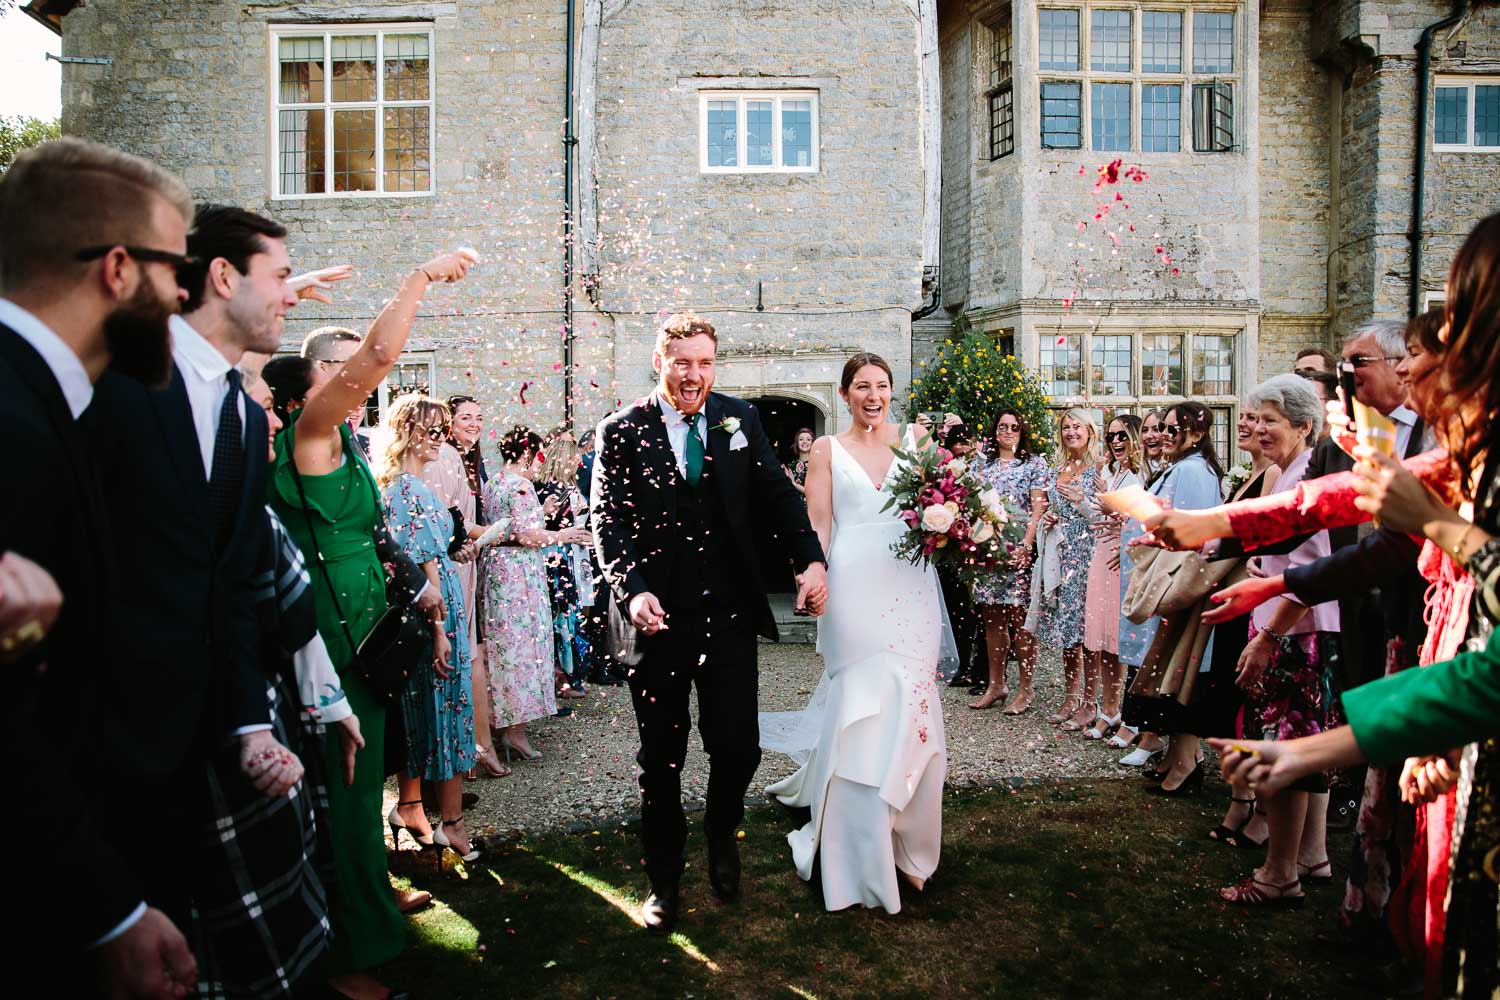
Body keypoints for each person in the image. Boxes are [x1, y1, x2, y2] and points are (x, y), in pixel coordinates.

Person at [0, 137, 198, 993]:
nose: (183, 293)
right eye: (173, 268)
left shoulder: (61, 401)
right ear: (118, 268)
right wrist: (106, 909)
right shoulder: (11, 417)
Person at [268, 247, 474, 999]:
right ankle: (348, 956)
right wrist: (418, 278)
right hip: (331, 631)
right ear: (308, 382)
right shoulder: (308, 436)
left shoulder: (344, 445)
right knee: (345, 793)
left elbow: (378, 536)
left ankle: (368, 905)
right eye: (342, 367)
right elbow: (384, 353)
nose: (361, 375)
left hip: (369, 632)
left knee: (361, 787)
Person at [591, 312, 828, 934]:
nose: (694, 375)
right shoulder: (620, 430)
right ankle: (663, 881)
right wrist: (632, 590)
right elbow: (606, 520)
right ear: (659, 361)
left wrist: (808, 559)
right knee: (661, 758)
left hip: (726, 616)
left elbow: (778, 496)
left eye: (704, 363)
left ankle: (722, 831)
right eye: (682, 362)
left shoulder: (738, 418)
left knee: (738, 746)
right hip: (657, 623)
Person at [758, 352, 940, 914]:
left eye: (881, 386)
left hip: (912, 587)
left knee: (913, 705)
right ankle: (857, 845)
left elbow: (943, 506)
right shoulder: (826, 450)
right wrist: (811, 578)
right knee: (864, 706)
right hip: (854, 588)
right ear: (844, 395)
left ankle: (909, 841)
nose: (873, 395)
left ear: (892, 391)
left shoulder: (919, 442)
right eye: (861, 386)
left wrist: (960, 530)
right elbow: (817, 524)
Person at [375, 394, 483, 863]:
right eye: (434, 431)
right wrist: (441, 630)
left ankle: (410, 807)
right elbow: (422, 566)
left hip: (420, 613)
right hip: (435, 617)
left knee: (418, 712)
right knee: (448, 712)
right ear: (411, 434)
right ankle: (453, 825)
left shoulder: (397, 486)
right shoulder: (411, 491)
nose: (441, 440)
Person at [1120, 402, 1225, 775]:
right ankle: (1175, 757)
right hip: (1163, 582)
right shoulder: (1181, 467)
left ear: (1195, 434)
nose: (1162, 435)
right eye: (1160, 428)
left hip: (1177, 585)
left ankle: (1185, 760)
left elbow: (1187, 534)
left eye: (1169, 429)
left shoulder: (1195, 472)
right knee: (1167, 671)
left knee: (1180, 673)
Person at [1197, 406, 1279, 848]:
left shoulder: (1274, 477)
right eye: (1244, 417)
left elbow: (1262, 537)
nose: (1248, 425)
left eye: (1259, 418)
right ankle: (1241, 796)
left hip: (1254, 597)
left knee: (1251, 702)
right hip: (1231, 593)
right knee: (1228, 695)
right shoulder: (1242, 476)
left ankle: (1258, 807)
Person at [480, 427, 587, 760]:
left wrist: (543, 509)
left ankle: (499, 726)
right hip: (518, 574)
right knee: (523, 646)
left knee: (501, 647)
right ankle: (517, 733)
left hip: (495, 566)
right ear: (528, 454)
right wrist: (565, 534)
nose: (541, 462)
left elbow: (508, 526)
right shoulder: (522, 485)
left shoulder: (493, 482)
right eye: (539, 455)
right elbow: (527, 536)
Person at [423, 394, 508, 779]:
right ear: (448, 422)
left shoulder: (468, 460)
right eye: (465, 417)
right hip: (449, 567)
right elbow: (449, 522)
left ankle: (474, 748)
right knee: (460, 657)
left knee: (470, 656)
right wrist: (506, 533)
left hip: (466, 563)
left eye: (479, 417)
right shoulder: (444, 459)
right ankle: (465, 754)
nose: (474, 424)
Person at [970, 410, 1049, 713]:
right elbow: (972, 503)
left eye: (1014, 427)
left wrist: (1027, 545)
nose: (1007, 431)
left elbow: (1038, 508)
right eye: (1002, 426)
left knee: (1021, 621)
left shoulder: (1033, 464)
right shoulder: (984, 465)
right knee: (992, 619)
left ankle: (1025, 689)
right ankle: (996, 685)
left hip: (1019, 549)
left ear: (1022, 431)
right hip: (989, 550)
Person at [1027, 408, 1101, 728]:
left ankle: (1090, 700)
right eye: (1066, 427)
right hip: (1062, 555)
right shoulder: (1058, 469)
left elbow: (1103, 517)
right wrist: (1049, 518)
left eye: (1077, 427)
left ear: (1089, 431)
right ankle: (1070, 697)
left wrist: (1082, 502)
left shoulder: (1099, 470)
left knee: (1089, 634)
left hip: (1089, 554)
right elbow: (1053, 509)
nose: (1071, 432)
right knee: (1066, 632)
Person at [1079, 414, 1143, 738]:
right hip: (1101, 554)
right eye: (1112, 436)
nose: (1116, 442)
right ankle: (1110, 709)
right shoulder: (1109, 473)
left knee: (1120, 643)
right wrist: (1084, 501)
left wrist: (1106, 502)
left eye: (1122, 436)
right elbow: (1096, 513)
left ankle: (1128, 715)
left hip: (1124, 558)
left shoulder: (1139, 477)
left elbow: (1136, 518)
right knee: (1102, 641)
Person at [784, 426, 814, 499]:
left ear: (812, 443)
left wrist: (794, 483)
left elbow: (814, 492)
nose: (804, 442)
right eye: (801, 439)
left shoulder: (816, 464)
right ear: (797, 443)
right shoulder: (790, 465)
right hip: (793, 506)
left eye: (808, 439)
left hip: (810, 507)